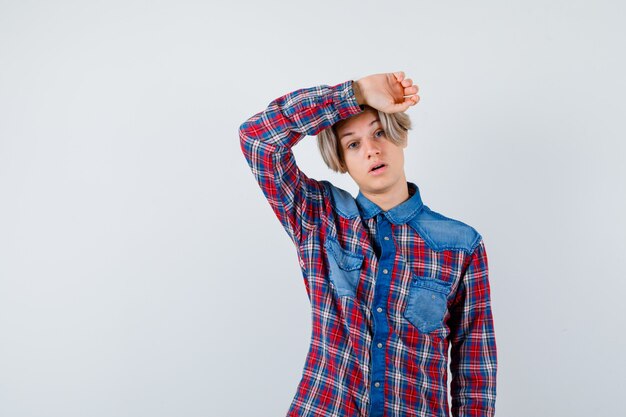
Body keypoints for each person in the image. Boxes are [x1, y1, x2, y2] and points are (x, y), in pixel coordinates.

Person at [239, 71, 497, 417]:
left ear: (399, 136)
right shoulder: (317, 217)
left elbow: (475, 368)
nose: (372, 150)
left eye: (379, 133)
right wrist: (356, 92)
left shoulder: (461, 244)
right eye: (353, 144)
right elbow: (258, 139)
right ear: (341, 161)